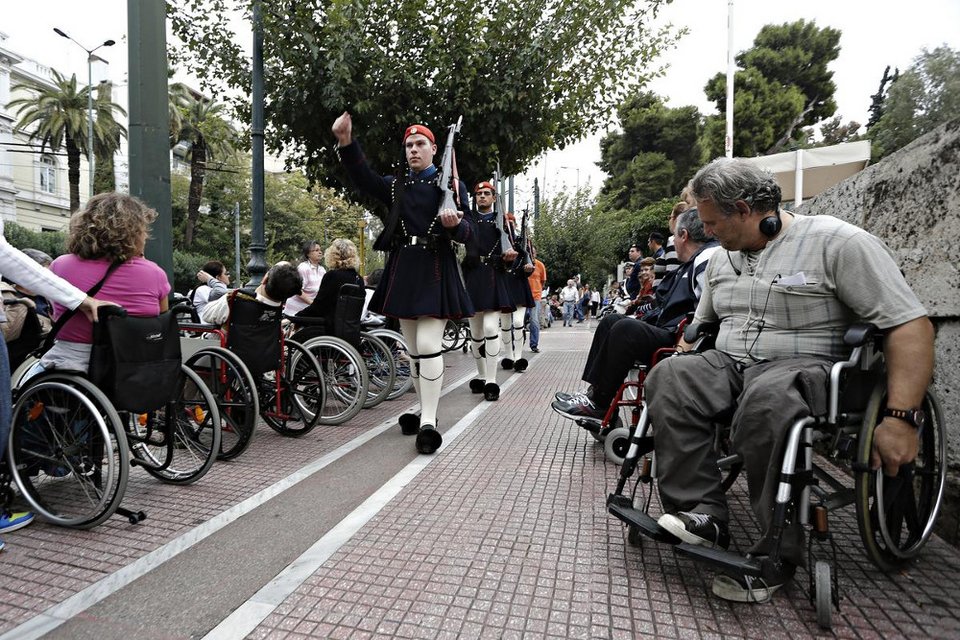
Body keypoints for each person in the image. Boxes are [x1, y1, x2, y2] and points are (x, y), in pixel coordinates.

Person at [645, 158, 933, 604]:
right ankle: (702, 513)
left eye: (712, 223)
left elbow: (909, 326)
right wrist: (680, 354)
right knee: (671, 378)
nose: (708, 233)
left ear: (744, 209)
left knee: (768, 399)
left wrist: (900, 417)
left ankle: (776, 553)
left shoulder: (837, 243)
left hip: (807, 367)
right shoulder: (722, 258)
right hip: (731, 361)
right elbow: (700, 327)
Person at [332, 112, 474, 455]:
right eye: (409, 145)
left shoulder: (451, 185)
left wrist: (454, 225)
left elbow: (470, 234)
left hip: (436, 268)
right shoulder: (397, 184)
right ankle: (423, 407)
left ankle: (428, 419)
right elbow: (362, 176)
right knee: (412, 350)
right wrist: (346, 142)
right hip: (404, 269)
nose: (413, 150)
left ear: (433, 149)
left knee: (428, 345)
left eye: (420, 144)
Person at [0, 215, 115, 551]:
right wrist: (82, 300)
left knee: (29, 392)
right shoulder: (152, 274)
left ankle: (26, 466)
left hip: (63, 366)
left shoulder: (65, 264)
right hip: (115, 372)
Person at [551, 208, 718, 420]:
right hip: (666, 326)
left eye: (674, 236)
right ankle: (595, 395)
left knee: (625, 329)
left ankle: (601, 404)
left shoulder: (705, 259)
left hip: (679, 336)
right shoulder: (689, 264)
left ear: (684, 235)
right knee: (611, 320)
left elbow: (707, 312)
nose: (672, 242)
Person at [462, 181, 516, 401]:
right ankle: (482, 375)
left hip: (494, 274)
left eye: (486, 194)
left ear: (494, 197)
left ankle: (492, 381)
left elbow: (512, 250)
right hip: (473, 274)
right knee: (475, 333)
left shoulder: (501, 222)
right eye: (478, 194)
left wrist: (509, 258)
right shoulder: (468, 219)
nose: (482, 197)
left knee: (491, 326)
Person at [201, 262, 303, 326]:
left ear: (264, 279)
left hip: (228, 351)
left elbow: (206, 315)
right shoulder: (278, 310)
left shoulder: (235, 299)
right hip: (263, 353)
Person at [296, 238, 366, 330]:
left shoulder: (332, 276)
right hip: (350, 327)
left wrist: (297, 317)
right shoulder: (358, 279)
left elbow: (319, 306)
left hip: (330, 327)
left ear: (333, 255)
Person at [500, 213, 535, 372]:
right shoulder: (498, 241)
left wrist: (528, 268)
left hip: (519, 287)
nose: (510, 226)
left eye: (512, 223)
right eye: (507, 224)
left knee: (518, 323)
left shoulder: (523, 245)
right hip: (504, 287)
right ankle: (509, 356)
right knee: (506, 325)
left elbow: (529, 263)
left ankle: (519, 356)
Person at [285, 240, 326, 315]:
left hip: (308, 310)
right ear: (308, 254)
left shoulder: (322, 270)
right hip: (295, 310)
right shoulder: (303, 268)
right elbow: (297, 290)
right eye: (316, 250)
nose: (320, 252)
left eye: (320, 250)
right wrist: (313, 304)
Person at [527, 244, 547, 353]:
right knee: (516, 322)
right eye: (529, 252)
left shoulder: (540, 265)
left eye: (533, 252)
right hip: (522, 296)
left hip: (535, 296)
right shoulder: (522, 264)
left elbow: (543, 281)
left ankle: (534, 344)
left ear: (536, 253)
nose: (531, 254)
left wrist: (537, 290)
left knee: (534, 321)